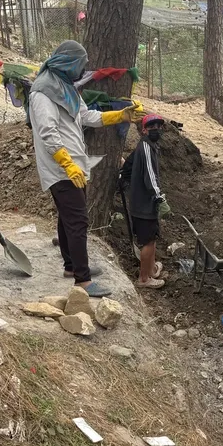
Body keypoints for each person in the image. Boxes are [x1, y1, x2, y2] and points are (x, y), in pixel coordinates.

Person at [29, 39, 141, 297]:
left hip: (72, 165)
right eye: (80, 65)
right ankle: (83, 280)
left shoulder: (65, 88)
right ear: (67, 63)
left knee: (67, 217)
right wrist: (67, 164)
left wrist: (120, 115)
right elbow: (48, 133)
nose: (82, 70)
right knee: (78, 220)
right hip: (61, 168)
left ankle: (71, 266)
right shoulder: (42, 93)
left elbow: (85, 116)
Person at [119, 114, 169, 289]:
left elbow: (128, 168)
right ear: (144, 130)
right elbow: (150, 177)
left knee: (152, 238)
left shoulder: (149, 146)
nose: (156, 129)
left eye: (158, 126)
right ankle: (143, 279)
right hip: (145, 204)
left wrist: (124, 179)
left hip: (144, 202)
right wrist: (159, 197)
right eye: (151, 126)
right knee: (148, 241)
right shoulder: (146, 146)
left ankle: (152, 268)